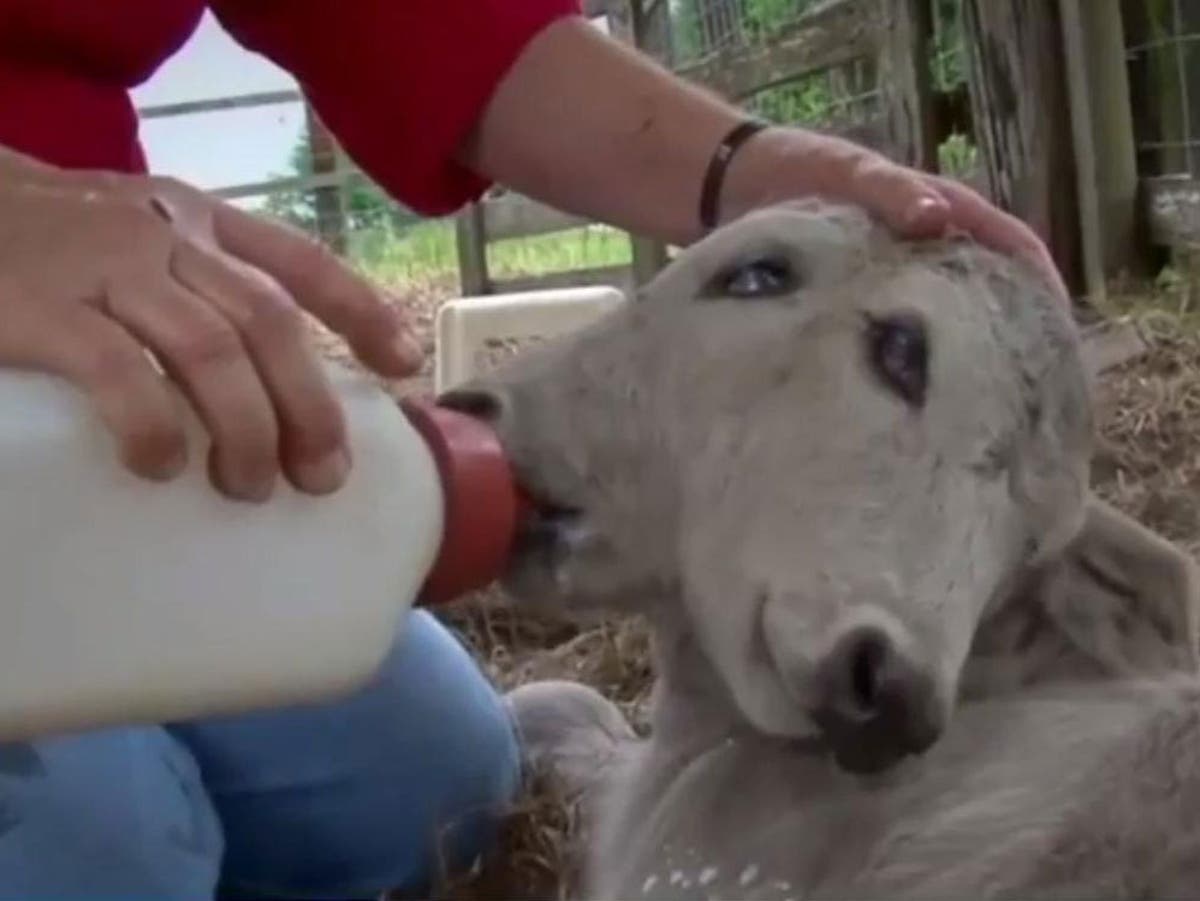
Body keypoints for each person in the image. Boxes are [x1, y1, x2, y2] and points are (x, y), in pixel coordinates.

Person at [0, 1, 1068, 898]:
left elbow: (411, 23)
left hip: (99, 400)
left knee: (427, 786)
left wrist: (745, 165)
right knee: (110, 853)